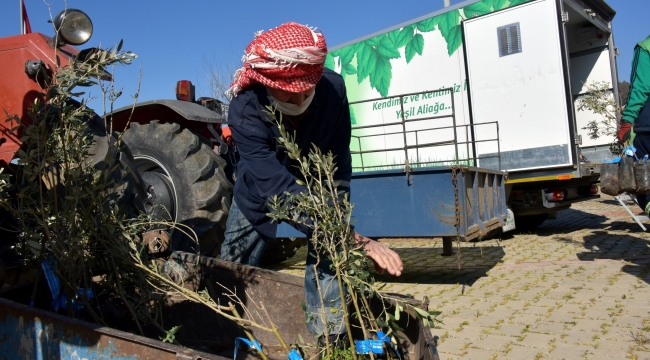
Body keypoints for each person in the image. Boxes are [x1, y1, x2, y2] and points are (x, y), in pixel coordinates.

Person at [221, 22, 403, 340]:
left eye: (309, 87)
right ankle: (225, 330)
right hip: (258, 193)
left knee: (330, 255)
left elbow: (338, 165)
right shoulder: (245, 109)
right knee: (230, 270)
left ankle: (328, 337)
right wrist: (351, 236)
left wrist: (338, 226)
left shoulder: (333, 91)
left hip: (319, 190)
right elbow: (276, 187)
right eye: (291, 93)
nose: (303, 97)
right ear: (266, 83)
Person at [618, 35, 650, 213]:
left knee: (642, 183)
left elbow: (640, 87)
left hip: (647, 128)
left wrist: (627, 120)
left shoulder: (645, 47)